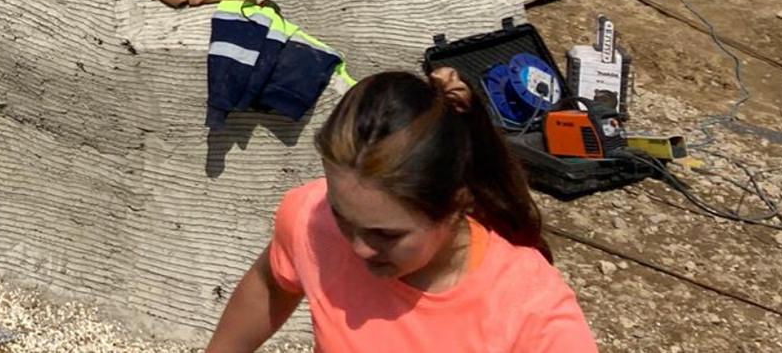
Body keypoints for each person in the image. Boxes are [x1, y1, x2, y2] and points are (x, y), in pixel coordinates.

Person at [204, 69, 596, 353]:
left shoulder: (530, 312)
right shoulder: (311, 217)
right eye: (342, 217)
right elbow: (272, 281)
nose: (357, 247)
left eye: (386, 234)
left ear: (456, 203)